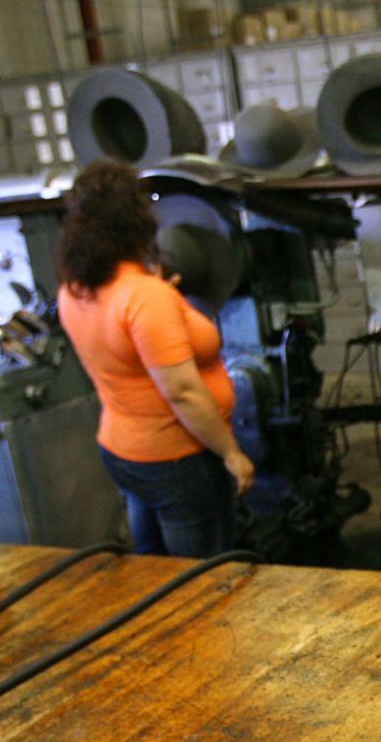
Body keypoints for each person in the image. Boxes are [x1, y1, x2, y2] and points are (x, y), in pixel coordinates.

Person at [56, 160, 254, 557]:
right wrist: (231, 453)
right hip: (178, 462)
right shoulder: (146, 297)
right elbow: (182, 392)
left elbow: (125, 350)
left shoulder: (75, 290)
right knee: (199, 583)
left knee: (151, 573)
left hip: (124, 453)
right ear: (135, 223)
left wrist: (156, 295)